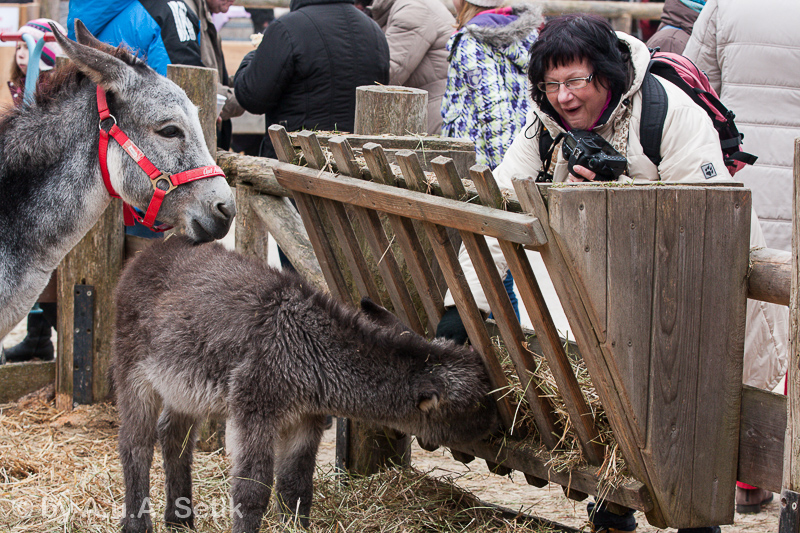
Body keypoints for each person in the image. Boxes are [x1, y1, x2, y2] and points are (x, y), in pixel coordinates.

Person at [451, 14, 787, 532]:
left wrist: (620, 187)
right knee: (610, 402)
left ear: (605, 74)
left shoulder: (665, 114)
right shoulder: (542, 128)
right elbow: (494, 210)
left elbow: (707, 224)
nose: (563, 97)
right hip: (607, 302)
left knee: (684, 414)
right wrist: (462, 306)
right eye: (552, 84)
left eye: (577, 81)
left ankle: (696, 521)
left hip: (686, 303)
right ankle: (612, 507)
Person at [683, 0, 800, 513]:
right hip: (795, 170)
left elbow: (692, 80)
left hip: (741, 168)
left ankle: (747, 472)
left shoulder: (725, 6)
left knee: (750, 312)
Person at [684, 0, 800, 253]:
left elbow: (694, 91)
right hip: (787, 168)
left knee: (743, 267)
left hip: (741, 166)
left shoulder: (723, 5)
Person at [233, 0, 390, 159]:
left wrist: (253, 57)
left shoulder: (287, 28)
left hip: (298, 162)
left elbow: (252, 96)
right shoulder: (373, 30)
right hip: (357, 162)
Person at [2, 19, 65, 365]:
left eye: (29, 48)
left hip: (42, 191)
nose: (22, 54)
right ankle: (37, 337)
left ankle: (50, 337)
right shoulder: (20, 87)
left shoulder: (49, 92)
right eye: (19, 48)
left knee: (44, 271)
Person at [441, 0, 542, 168]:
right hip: (524, 152)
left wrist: (503, 175)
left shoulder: (472, 42)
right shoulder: (526, 34)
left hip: (478, 166)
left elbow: (492, 111)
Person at [355, 0, 454, 135]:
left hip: (432, 115)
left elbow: (388, 75)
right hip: (426, 111)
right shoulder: (400, 7)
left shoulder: (413, 9)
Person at [182, 0, 245, 150]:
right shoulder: (186, 12)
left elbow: (213, 76)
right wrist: (246, 96)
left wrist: (246, 79)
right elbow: (192, 81)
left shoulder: (203, 13)